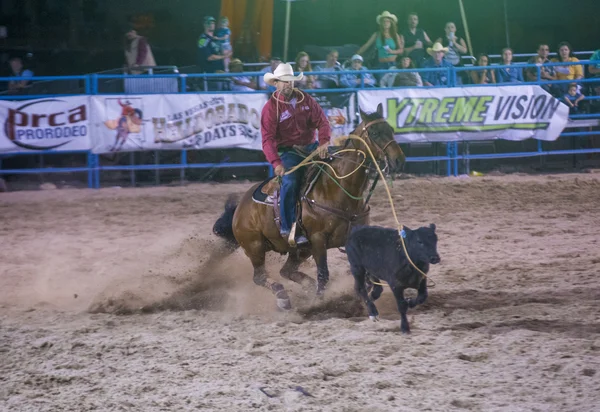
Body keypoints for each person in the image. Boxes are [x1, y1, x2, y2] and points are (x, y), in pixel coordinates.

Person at [261, 63, 331, 245]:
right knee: (290, 181)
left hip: (311, 148)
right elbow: (267, 139)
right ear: (276, 83)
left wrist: (323, 142)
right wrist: (276, 163)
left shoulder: (306, 100)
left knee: (335, 169)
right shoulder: (270, 108)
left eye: (290, 81)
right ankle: (288, 227)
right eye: (283, 81)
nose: (287, 84)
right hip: (289, 153)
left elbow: (323, 122)